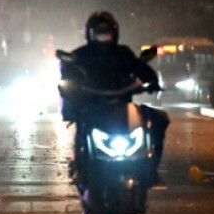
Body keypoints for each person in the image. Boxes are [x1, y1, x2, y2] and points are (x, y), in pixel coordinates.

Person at [60, 11, 168, 187]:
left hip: (123, 106)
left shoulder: (123, 53)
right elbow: (68, 74)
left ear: (115, 33)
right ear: (90, 34)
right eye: (100, 33)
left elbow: (140, 68)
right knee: (82, 123)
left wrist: (152, 82)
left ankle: (150, 170)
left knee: (159, 119)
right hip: (92, 107)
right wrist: (71, 87)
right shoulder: (81, 55)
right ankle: (80, 165)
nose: (104, 38)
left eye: (107, 33)